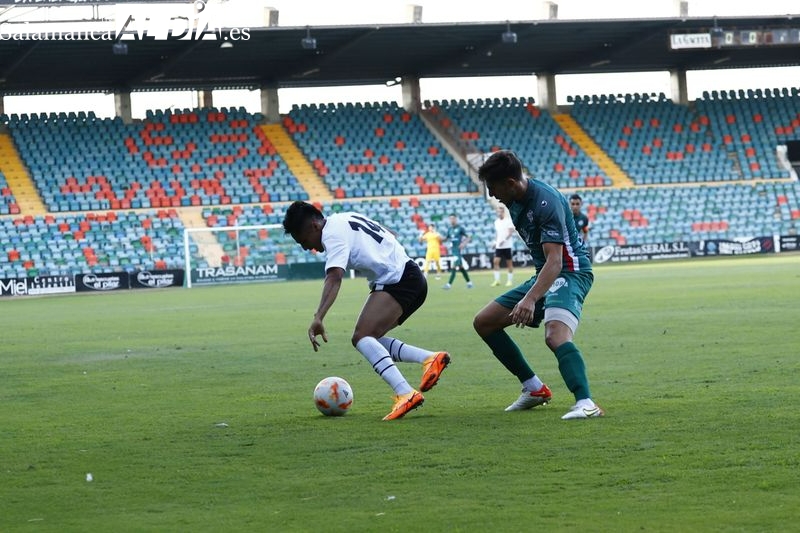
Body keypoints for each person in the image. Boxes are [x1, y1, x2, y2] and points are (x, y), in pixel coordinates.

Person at [282, 201, 451, 421]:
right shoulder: (344, 218)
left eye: (303, 241)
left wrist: (318, 317)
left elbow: (334, 277)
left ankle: (405, 393)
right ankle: (430, 358)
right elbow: (387, 232)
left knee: (362, 337)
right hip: (408, 276)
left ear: (314, 226)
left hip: (399, 280)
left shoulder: (331, 234)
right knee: (370, 338)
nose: (306, 247)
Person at [473, 150, 603, 420]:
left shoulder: (546, 202)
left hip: (570, 271)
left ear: (510, 183)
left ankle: (586, 403)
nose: (492, 194)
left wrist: (530, 299)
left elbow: (555, 262)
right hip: (544, 273)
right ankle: (534, 388)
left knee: (555, 335)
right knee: (485, 322)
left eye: (493, 188)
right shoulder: (513, 199)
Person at [442, 213, 473, 289]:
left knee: (454, 266)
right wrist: (438, 238)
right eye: (450, 218)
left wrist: (463, 243)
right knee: (461, 267)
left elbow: (469, 237)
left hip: (457, 251)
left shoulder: (460, 228)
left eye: (453, 218)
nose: (452, 220)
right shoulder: (449, 229)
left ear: (456, 219)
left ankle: (449, 285)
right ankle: (469, 283)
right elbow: (446, 238)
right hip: (453, 250)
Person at [491, 205, 515, 287]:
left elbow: (510, 232)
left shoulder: (508, 221)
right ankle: (497, 280)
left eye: (500, 212)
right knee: (495, 262)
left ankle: (509, 280)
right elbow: (497, 234)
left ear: (503, 212)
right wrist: (495, 242)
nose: (499, 213)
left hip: (507, 245)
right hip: (499, 246)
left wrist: (503, 241)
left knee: (509, 263)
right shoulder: (496, 222)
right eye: (498, 212)